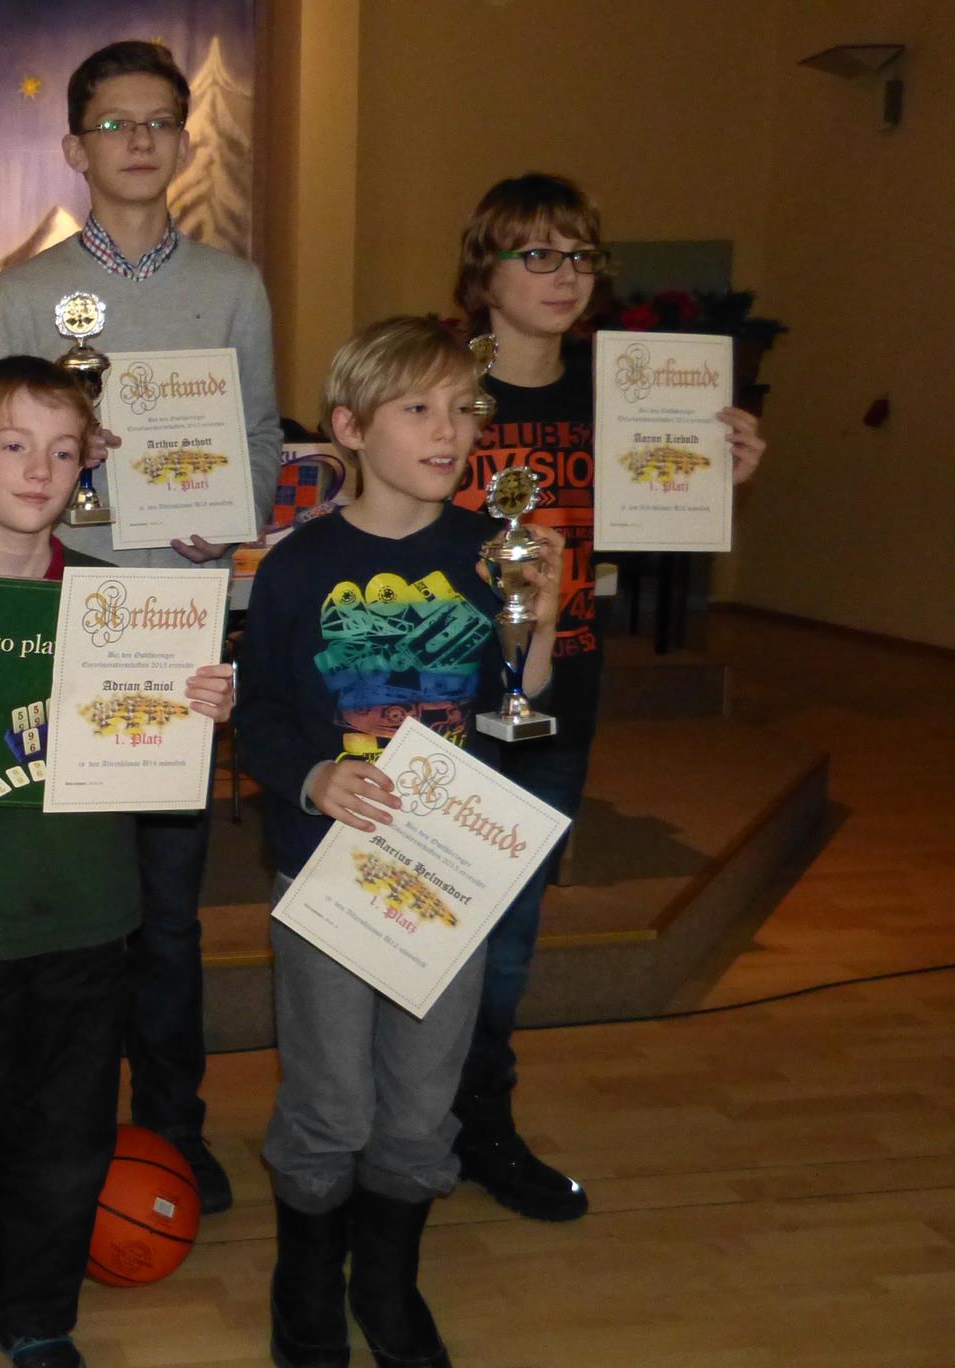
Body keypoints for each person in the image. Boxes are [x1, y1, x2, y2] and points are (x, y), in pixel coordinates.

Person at [0, 356, 235, 1368]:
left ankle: (33, 1313)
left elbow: (161, 743)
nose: (38, 469)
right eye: (14, 445)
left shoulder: (124, 604)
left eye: (63, 451)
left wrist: (200, 708)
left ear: (86, 468)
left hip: (88, 915)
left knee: (67, 1138)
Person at [0, 40, 282, 1212]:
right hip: (60, 616)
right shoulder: (25, 292)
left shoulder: (233, 286)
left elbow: (259, 437)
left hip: (176, 621)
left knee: (165, 907)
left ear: (185, 142)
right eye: (114, 123)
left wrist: (224, 512)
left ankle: (170, 1126)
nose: (139, 140)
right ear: (74, 147)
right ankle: (51, 1125)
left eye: (159, 121)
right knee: (57, 899)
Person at [235, 317, 562, 1368]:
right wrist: (311, 775)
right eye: (417, 408)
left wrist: (541, 617)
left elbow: (516, 704)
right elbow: (258, 713)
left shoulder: (485, 553)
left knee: (421, 1104)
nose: (447, 430)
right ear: (349, 428)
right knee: (330, 1102)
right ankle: (304, 1280)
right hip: (325, 871)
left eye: (463, 409)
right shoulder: (297, 567)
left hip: (446, 874)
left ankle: (384, 1281)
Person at [448, 173, 765, 1221]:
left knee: (511, 930)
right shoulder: (437, 384)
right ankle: (398, 1115)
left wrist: (712, 476)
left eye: (579, 255)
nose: (563, 275)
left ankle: (481, 1121)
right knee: (420, 911)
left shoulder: (622, 392)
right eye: (535, 253)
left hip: (561, 688)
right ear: (483, 270)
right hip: (434, 695)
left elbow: (651, 524)